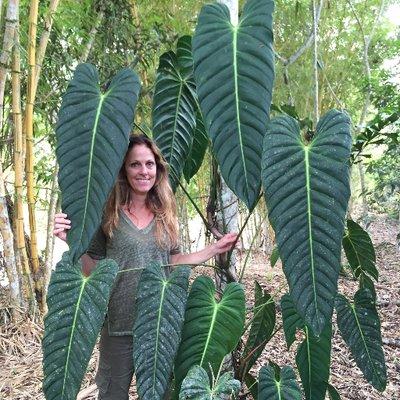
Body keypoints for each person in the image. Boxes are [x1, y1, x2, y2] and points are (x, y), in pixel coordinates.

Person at [54, 134, 237, 400]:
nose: (143, 171)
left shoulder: (166, 212)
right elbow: (92, 270)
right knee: (112, 394)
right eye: (135, 164)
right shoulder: (108, 213)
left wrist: (212, 250)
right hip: (118, 324)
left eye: (149, 164)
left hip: (159, 323)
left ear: (158, 169)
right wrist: (72, 243)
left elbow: (171, 262)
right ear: (124, 170)